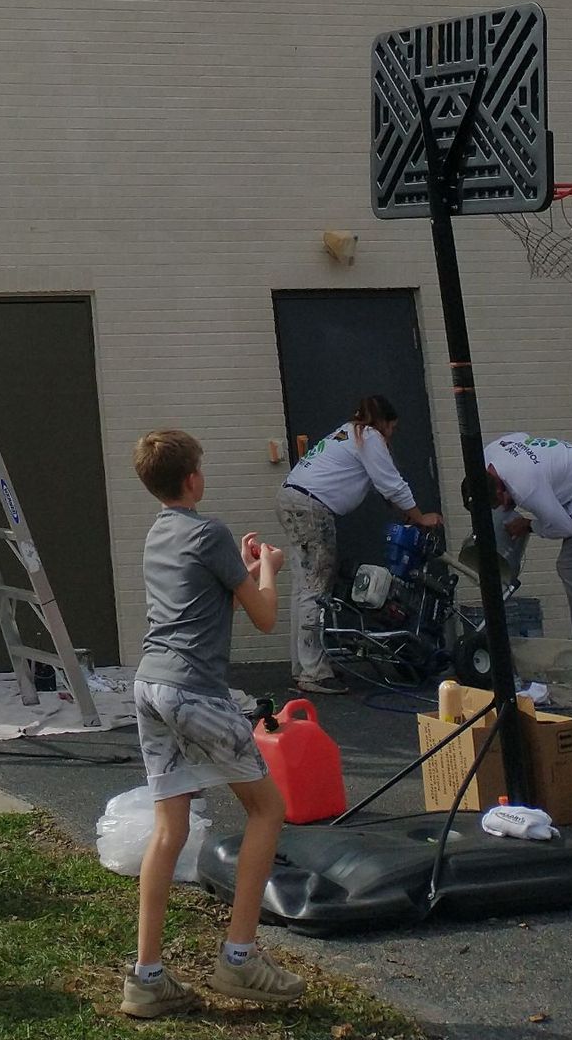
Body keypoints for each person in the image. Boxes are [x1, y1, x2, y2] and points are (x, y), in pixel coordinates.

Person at [121, 428, 306, 1018]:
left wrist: (242, 571)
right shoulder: (210, 531)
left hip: (149, 687)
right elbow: (265, 616)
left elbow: (204, 600)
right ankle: (239, 958)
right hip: (192, 691)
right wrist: (268, 568)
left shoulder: (159, 533)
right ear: (192, 478)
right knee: (267, 810)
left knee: (169, 829)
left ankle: (146, 978)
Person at [278, 396, 442, 691]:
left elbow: (382, 487)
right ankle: (314, 673)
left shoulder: (347, 433)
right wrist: (420, 518)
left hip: (293, 499)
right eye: (392, 428)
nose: (391, 435)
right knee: (316, 589)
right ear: (384, 423)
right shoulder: (369, 437)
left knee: (303, 587)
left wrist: (403, 513)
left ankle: (304, 666)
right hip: (312, 509)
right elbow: (392, 484)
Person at [484, 432, 572, 641]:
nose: (504, 507)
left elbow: (564, 528)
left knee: (570, 567)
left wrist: (529, 525)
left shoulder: (525, 487)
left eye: (500, 501)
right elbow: (522, 436)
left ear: (499, 487)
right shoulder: (489, 454)